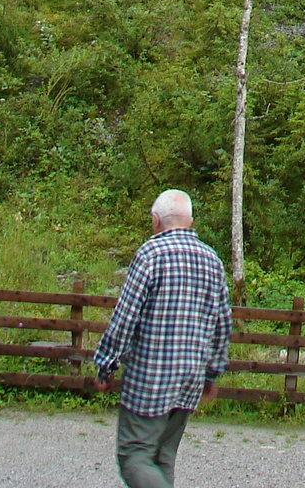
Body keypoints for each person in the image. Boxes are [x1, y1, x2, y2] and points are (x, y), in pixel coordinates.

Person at [93, 189, 232, 488]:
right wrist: (212, 374)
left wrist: (106, 364)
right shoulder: (213, 261)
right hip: (190, 378)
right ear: (191, 221)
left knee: (134, 456)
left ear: (156, 220)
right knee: (163, 457)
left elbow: (124, 317)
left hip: (150, 378)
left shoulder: (150, 255)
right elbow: (222, 325)